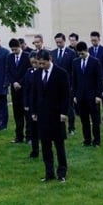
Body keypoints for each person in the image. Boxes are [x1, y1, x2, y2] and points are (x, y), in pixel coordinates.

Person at [30, 49, 70, 183]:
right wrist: (34, 111)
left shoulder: (61, 73)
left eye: (43, 63)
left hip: (57, 114)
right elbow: (34, 94)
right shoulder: (36, 74)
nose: (41, 66)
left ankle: (62, 172)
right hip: (42, 115)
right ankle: (49, 173)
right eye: (39, 64)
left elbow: (65, 95)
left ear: (50, 60)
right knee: (45, 145)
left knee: (59, 145)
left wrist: (64, 113)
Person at [71, 41, 103, 147]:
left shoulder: (95, 62)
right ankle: (87, 140)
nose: (81, 55)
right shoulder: (75, 62)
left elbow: (99, 79)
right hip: (80, 96)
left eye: (82, 53)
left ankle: (97, 140)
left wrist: (98, 95)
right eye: (79, 54)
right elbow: (74, 79)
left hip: (92, 96)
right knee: (84, 120)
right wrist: (75, 95)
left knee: (95, 119)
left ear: (86, 50)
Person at [7, 38, 31, 144]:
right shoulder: (10, 57)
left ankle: (29, 136)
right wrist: (13, 82)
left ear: (20, 47)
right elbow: (8, 72)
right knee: (17, 114)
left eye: (16, 49)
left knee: (27, 114)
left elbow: (28, 71)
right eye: (12, 50)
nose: (14, 52)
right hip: (15, 89)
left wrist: (20, 82)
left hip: (25, 89)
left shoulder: (27, 56)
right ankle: (19, 136)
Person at [89, 31, 103, 127]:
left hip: (102, 80)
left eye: (95, 40)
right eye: (92, 40)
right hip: (92, 80)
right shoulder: (89, 51)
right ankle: (96, 119)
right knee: (94, 101)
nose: (93, 42)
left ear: (99, 39)